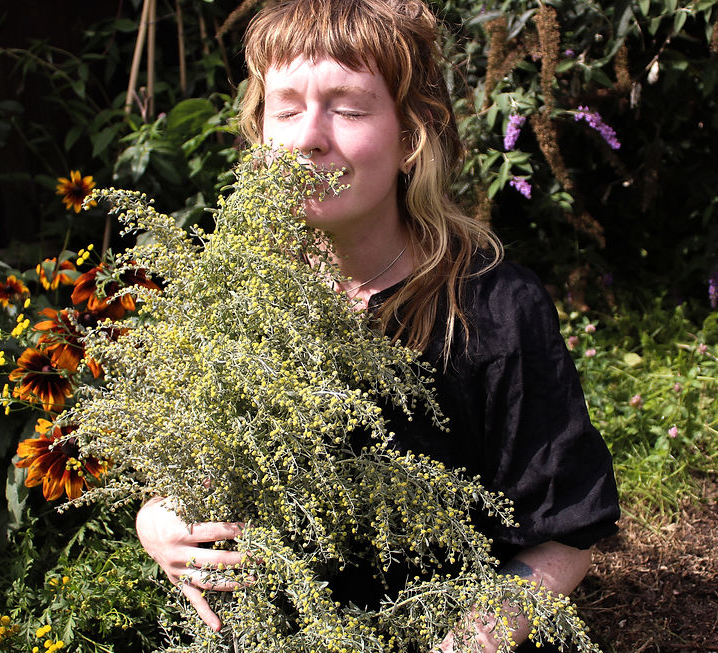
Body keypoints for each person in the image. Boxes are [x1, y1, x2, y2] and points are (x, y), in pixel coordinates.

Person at [135, 0, 620, 650]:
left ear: (411, 134)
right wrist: (158, 521)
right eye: (286, 109)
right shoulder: (236, 295)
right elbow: (191, 471)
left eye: (348, 108)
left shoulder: (493, 311)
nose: (310, 135)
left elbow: (562, 535)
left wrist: (470, 639)